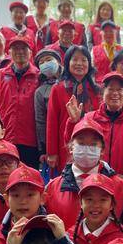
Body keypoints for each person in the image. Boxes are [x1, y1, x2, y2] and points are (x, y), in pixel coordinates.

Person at [45, 118, 123, 230]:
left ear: (102, 150)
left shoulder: (119, 187)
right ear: (71, 148)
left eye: (93, 144)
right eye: (81, 143)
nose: (87, 149)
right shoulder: (52, 189)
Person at [64, 73, 123, 178]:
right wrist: (73, 122)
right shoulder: (90, 118)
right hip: (94, 180)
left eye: (119, 90)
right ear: (103, 92)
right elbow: (71, 145)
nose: (115, 93)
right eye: (110, 89)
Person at [45, 45, 101, 173]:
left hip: (91, 147)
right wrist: (52, 152)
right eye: (75, 59)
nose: (79, 63)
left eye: (84, 60)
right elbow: (52, 122)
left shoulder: (96, 90)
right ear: (67, 63)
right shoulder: (58, 89)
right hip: (65, 146)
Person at [0, 35, 41, 167]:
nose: (20, 52)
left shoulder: (39, 76)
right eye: (15, 48)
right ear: (9, 52)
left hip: (31, 140)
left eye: (23, 48)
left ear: (30, 52)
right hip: (5, 137)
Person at [34, 49, 62, 170]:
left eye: (49, 60)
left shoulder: (70, 82)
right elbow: (40, 122)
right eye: (42, 63)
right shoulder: (40, 91)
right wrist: (44, 150)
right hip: (53, 142)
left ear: (58, 62)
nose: (46, 64)